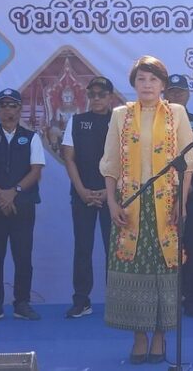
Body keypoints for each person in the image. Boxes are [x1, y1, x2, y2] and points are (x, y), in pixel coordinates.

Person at [100, 56, 193, 364]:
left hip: (165, 205)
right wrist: (112, 201)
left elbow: (188, 163)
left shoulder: (176, 114)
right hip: (130, 207)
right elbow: (110, 162)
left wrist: (180, 204)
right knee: (133, 270)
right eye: (141, 79)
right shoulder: (120, 115)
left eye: (153, 80)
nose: (147, 85)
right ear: (133, 83)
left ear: (163, 85)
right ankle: (139, 337)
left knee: (163, 272)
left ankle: (160, 337)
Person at [0, 88, 45, 322]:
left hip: (22, 205)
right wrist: (0, 195)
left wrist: (13, 192)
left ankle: (22, 303)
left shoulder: (32, 138)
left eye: (12, 105)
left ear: (20, 108)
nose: (7, 110)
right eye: (3, 105)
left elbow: (36, 170)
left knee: (23, 256)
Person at [62, 76, 114, 318]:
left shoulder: (122, 122)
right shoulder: (76, 121)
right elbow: (69, 158)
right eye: (92, 95)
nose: (96, 99)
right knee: (82, 248)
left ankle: (116, 302)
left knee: (114, 250)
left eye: (101, 94)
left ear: (110, 96)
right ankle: (81, 300)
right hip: (82, 195)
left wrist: (108, 192)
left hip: (112, 196)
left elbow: (127, 161)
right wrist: (82, 191)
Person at [163, 74, 193, 318]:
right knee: (163, 250)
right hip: (162, 196)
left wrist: (187, 185)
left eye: (180, 92)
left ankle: (192, 299)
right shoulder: (154, 122)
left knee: (192, 247)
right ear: (165, 95)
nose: (176, 96)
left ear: (188, 94)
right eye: (172, 92)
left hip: (192, 199)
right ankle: (166, 300)